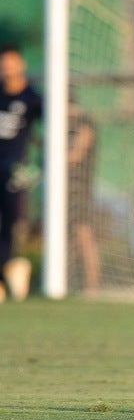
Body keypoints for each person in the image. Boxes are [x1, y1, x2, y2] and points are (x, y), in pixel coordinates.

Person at [0, 44, 42, 302]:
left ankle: (8, 272)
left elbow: (47, 134)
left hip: (14, 173)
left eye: (10, 62)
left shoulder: (33, 99)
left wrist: (37, 166)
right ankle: (10, 271)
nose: (7, 68)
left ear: (21, 64)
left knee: (10, 224)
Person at [68, 96, 100, 296]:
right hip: (62, 191)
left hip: (79, 189)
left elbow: (76, 154)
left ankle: (91, 287)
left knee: (83, 235)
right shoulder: (60, 124)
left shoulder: (84, 123)